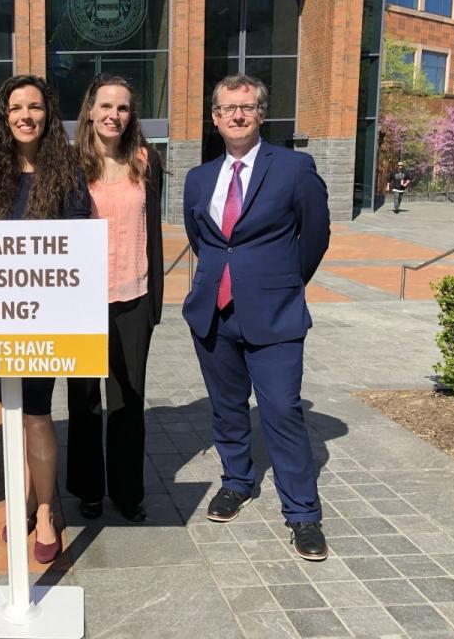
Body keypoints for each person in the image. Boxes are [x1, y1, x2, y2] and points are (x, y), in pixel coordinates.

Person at [182, 74, 331, 561]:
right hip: (214, 314)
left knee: (282, 411)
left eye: (247, 107)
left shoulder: (293, 168)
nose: (237, 115)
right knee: (226, 409)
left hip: (275, 315)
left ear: (261, 113)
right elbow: (204, 239)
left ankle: (303, 514)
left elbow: (315, 236)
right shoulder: (200, 178)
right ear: (215, 117)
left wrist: (282, 283)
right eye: (227, 109)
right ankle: (237, 481)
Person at [0, 74, 91, 564]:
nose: (26, 115)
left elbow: (78, 246)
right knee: (10, 412)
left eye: (35, 107)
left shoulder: (66, 172)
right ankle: (24, 495)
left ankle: (44, 509)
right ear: (3, 116)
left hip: (46, 318)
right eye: (16, 107)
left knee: (37, 414)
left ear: (48, 114)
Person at [65, 75, 163, 524]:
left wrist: (156, 302)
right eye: (105, 106)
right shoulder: (69, 165)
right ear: (90, 110)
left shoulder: (146, 160)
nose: (113, 115)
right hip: (81, 301)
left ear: (131, 115)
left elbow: (155, 234)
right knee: (84, 402)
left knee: (128, 400)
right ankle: (87, 490)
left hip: (133, 297)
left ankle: (127, 492)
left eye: (122, 108)